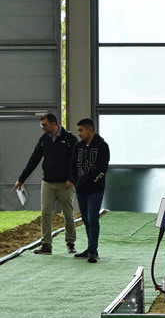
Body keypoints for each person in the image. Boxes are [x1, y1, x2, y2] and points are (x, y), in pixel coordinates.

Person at [12, 113, 78, 255]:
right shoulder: (43, 140)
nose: (42, 127)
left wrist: (72, 179)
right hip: (48, 183)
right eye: (41, 125)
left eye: (44, 125)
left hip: (65, 184)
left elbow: (77, 161)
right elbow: (33, 160)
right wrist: (21, 179)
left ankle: (71, 243)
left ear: (53, 124)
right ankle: (46, 245)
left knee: (68, 214)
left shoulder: (69, 139)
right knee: (45, 214)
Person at [69, 118, 109, 264]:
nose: (79, 133)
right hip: (81, 190)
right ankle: (91, 248)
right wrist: (76, 182)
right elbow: (72, 166)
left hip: (95, 190)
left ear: (90, 130)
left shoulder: (102, 146)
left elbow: (103, 168)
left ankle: (92, 249)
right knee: (86, 219)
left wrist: (91, 181)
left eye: (81, 130)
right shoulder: (78, 147)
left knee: (93, 219)